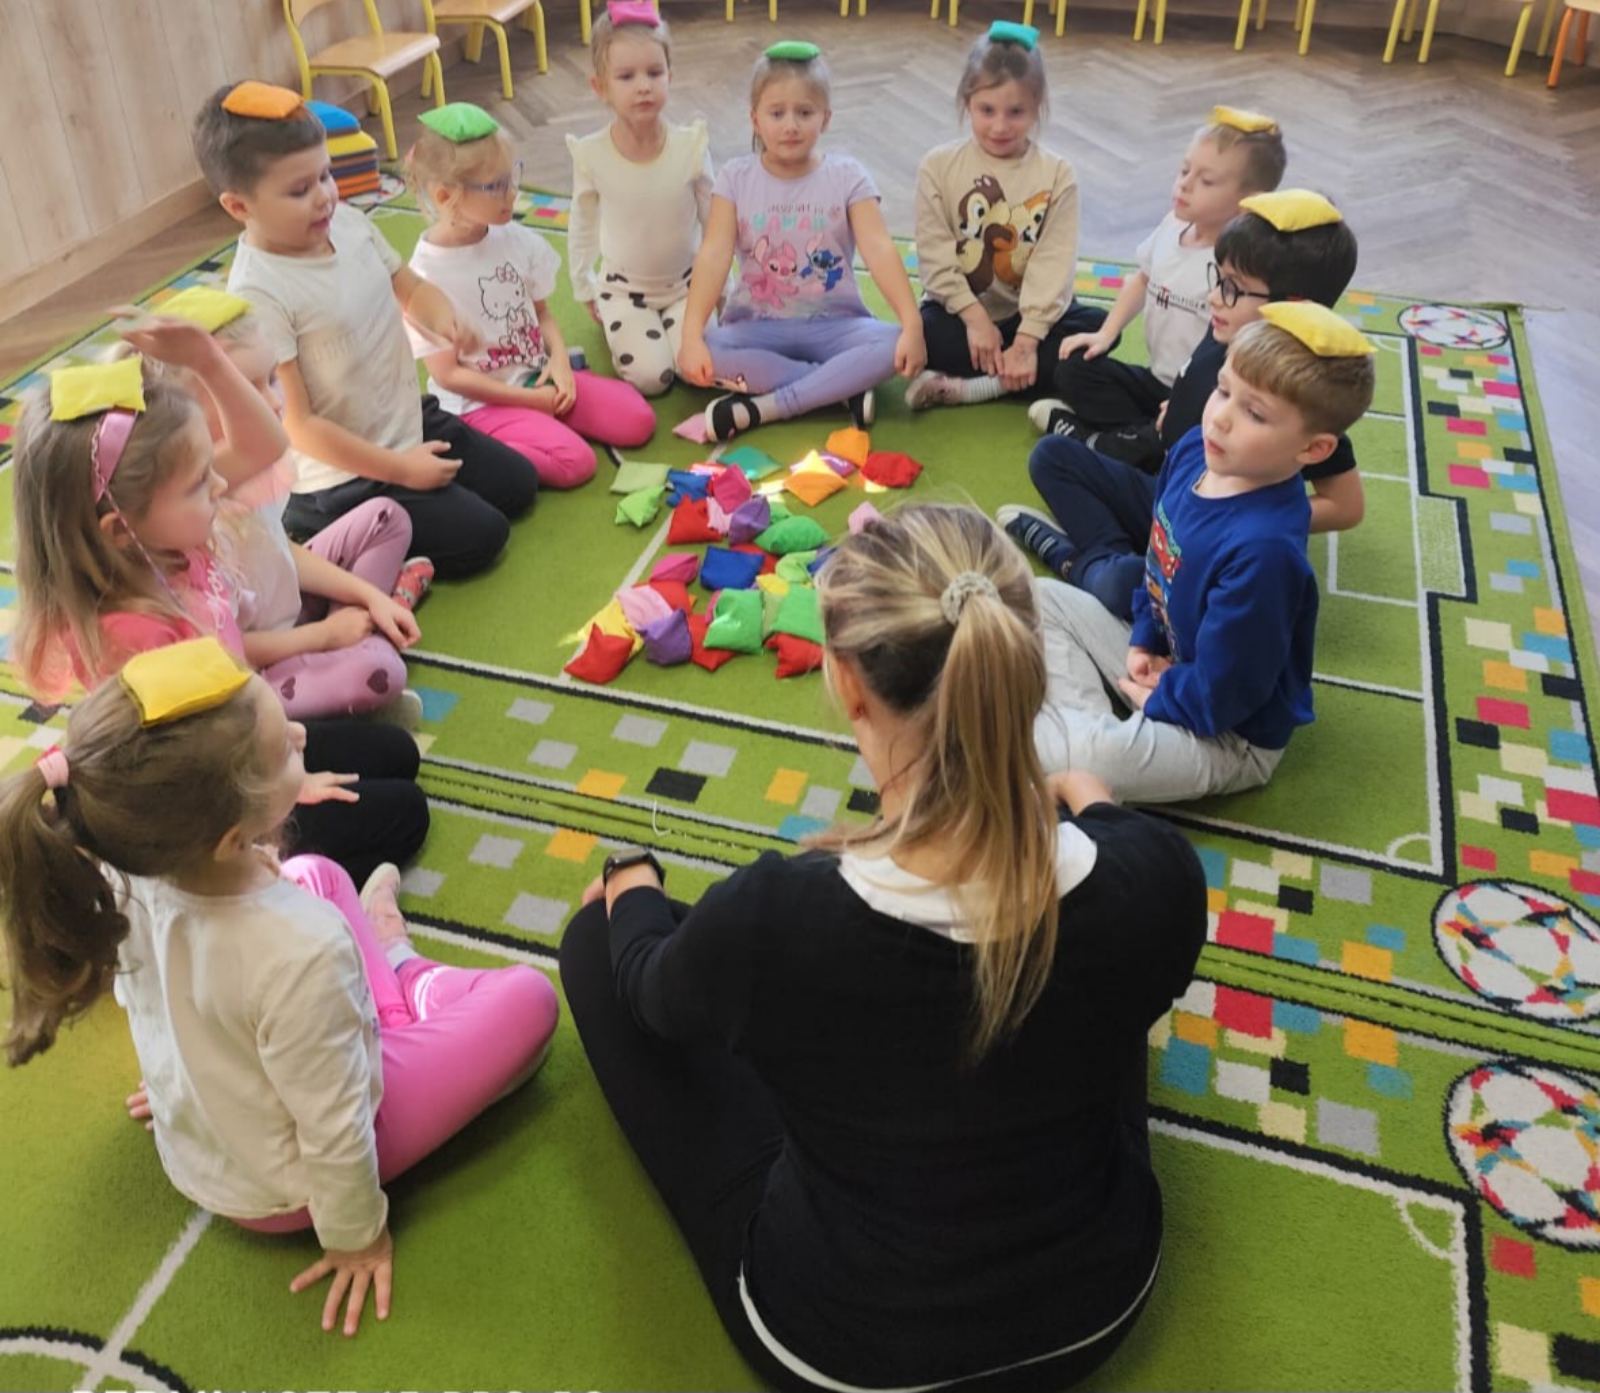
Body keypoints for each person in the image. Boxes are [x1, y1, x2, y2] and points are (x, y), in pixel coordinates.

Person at [560, 503, 1207, 1393]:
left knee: (599, 948)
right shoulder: (1157, 873)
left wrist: (630, 880)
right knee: (1099, 972)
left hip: (850, 1349)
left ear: (848, 684)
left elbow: (649, 994)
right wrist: (1096, 803)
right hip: (1098, 1303)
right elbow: (1111, 859)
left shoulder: (779, 917)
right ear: (1022, 668)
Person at [0, 639, 559, 1337]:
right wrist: (356, 1237)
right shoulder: (302, 951)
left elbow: (146, 996)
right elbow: (336, 1131)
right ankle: (403, 971)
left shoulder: (124, 865)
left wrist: (183, 1076)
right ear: (230, 837)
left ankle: (390, 988)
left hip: (205, 1138)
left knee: (319, 872)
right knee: (531, 1000)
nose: (300, 734)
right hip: (284, 1191)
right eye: (285, 750)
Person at [10, 359, 428, 884]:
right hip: (218, 809)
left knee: (397, 753)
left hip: (246, 740)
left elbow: (263, 444)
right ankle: (290, 888)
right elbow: (193, 772)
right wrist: (287, 786)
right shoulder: (133, 639)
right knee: (407, 815)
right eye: (197, 483)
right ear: (120, 530)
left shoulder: (169, 549)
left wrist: (199, 352)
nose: (220, 484)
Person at [193, 80, 538, 578]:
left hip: (406, 423)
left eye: (325, 176)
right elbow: (298, 426)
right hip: (344, 477)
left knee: (519, 486)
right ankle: (320, 527)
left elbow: (410, 288)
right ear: (239, 207)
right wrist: (402, 471)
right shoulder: (258, 293)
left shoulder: (348, 223)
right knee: (484, 536)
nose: (324, 197)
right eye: (300, 190)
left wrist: (445, 318)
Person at [1032, 306, 1376, 805]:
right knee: (1037, 598)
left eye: (1255, 413)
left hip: (1228, 735)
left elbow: (1228, 694)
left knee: (1084, 753)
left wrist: (1162, 697)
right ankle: (1086, 739)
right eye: (1223, 389)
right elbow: (1156, 564)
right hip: (1170, 666)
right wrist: (1143, 640)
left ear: (1314, 450)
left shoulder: (1265, 551)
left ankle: (1082, 745)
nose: (1220, 417)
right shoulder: (1196, 449)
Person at [1006, 189, 1365, 616]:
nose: (1214, 296)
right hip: (1169, 486)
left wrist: (1251, 519)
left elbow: (1347, 506)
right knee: (1051, 457)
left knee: (1123, 586)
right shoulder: (1228, 331)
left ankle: (1078, 561)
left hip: (1196, 527)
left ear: (1292, 307)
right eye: (1219, 277)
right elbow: (1193, 378)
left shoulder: (1299, 397)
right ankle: (1108, 559)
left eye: (1233, 288)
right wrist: (1177, 407)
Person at [116, 294, 431, 721]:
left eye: (270, 379)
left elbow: (278, 551)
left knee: (386, 518)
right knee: (377, 674)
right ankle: (361, 651)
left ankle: (367, 628)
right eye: (249, 388)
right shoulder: (183, 509)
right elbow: (230, 645)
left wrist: (368, 597)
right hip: (259, 660)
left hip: (286, 609)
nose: (275, 402)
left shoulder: (234, 473)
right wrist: (324, 636)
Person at [677, 42, 927, 442]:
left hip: (837, 326)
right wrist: (691, 338)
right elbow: (714, 254)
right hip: (757, 327)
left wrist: (912, 324)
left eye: (805, 113)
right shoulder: (735, 177)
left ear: (825, 118)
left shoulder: (848, 176)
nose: (790, 125)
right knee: (705, 352)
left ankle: (771, 406)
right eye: (777, 113)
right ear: (755, 119)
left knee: (896, 342)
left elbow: (880, 249)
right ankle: (838, 387)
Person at [407, 101, 655, 489]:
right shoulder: (423, 276)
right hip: (480, 405)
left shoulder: (514, 238)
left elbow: (542, 314)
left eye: (511, 178)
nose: (512, 194)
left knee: (638, 421)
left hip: (535, 377)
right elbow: (448, 375)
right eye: (495, 186)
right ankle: (480, 452)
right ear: (444, 196)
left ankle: (537, 424)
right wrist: (527, 401)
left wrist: (559, 362)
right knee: (576, 462)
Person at [1049, 106, 1286, 435]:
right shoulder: (1172, 225)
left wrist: (1195, 400)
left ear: (1249, 201)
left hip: (1207, 392)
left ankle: (1129, 438)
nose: (1184, 185)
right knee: (1072, 370)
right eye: (1184, 170)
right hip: (1157, 379)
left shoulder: (1241, 268)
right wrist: (1105, 333)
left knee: (1198, 424)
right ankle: (1142, 435)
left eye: (1206, 181)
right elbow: (1141, 279)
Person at [907, 21, 1105, 410]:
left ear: (1037, 106)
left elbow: (1053, 263)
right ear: (967, 101)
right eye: (987, 110)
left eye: (1016, 112)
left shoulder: (1057, 173)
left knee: (1097, 331)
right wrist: (975, 319)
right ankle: (1012, 377)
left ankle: (972, 387)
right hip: (959, 316)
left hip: (1028, 320)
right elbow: (934, 257)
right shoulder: (937, 166)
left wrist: (1028, 340)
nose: (1000, 126)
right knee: (918, 334)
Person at [567, 0, 715, 397]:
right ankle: (636, 334)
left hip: (689, 287)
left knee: (698, 368)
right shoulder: (592, 154)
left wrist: (723, 287)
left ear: (670, 75)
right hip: (624, 291)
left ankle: (674, 333)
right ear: (600, 87)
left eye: (654, 72)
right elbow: (582, 222)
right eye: (626, 76)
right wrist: (584, 284)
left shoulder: (691, 146)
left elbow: (714, 222)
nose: (644, 86)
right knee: (653, 377)